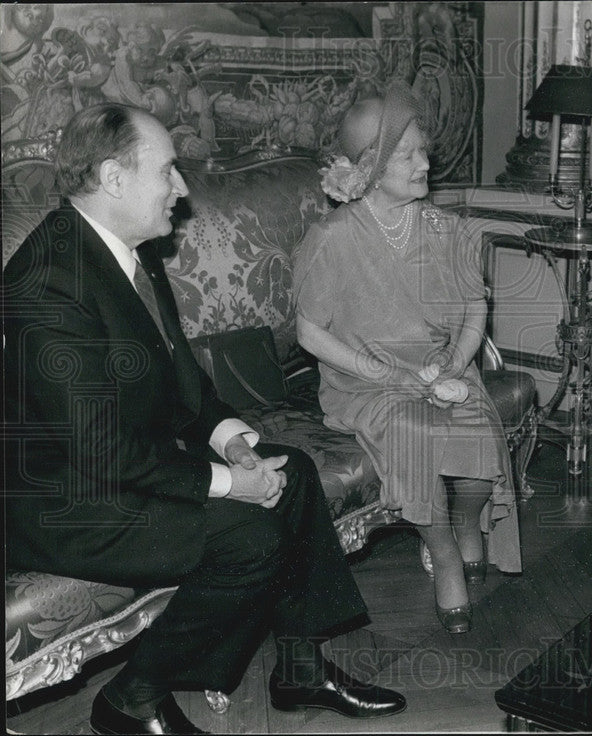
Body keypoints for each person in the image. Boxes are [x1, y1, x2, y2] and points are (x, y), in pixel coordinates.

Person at [2, 103, 406, 735]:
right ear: (113, 178)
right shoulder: (48, 282)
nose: (182, 188)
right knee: (249, 536)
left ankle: (300, 668)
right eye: (167, 172)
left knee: (292, 472)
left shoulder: (129, 250)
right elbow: (102, 452)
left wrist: (235, 444)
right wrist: (230, 483)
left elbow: (183, 389)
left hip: (121, 465)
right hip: (64, 500)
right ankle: (131, 701)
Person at [293, 82, 521, 635]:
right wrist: (387, 374)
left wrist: (453, 366)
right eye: (409, 155)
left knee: (479, 427)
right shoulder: (332, 238)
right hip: (366, 382)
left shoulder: (447, 229)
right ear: (369, 167)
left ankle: (467, 521)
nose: (426, 164)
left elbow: (474, 307)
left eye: (424, 150)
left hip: (442, 367)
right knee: (415, 433)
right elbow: (309, 334)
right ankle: (443, 553)